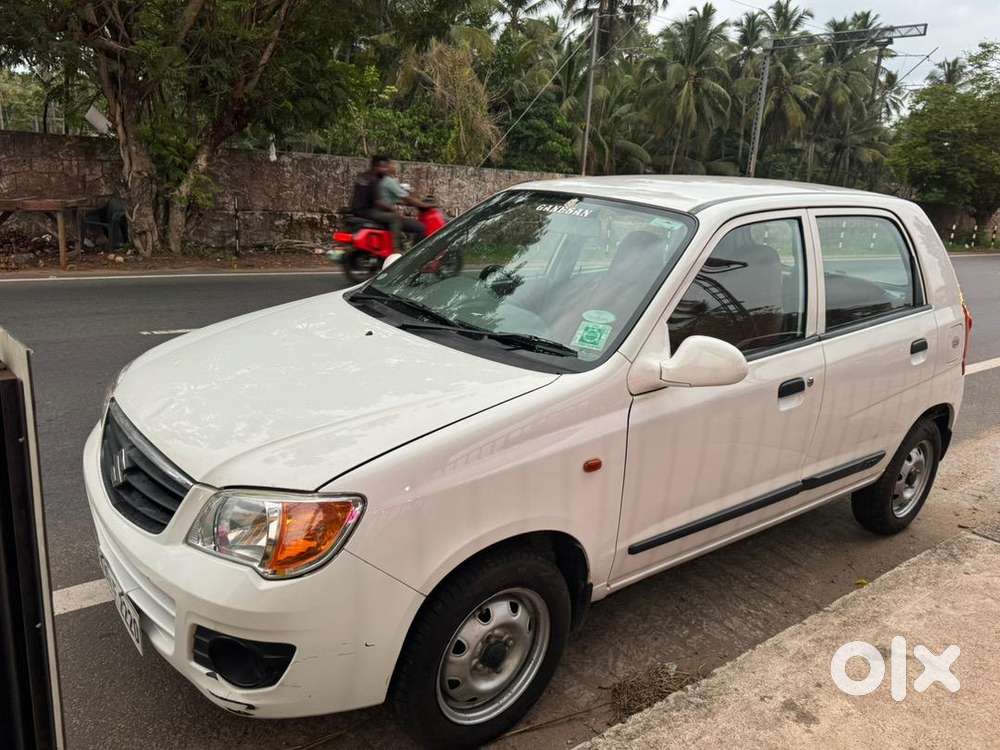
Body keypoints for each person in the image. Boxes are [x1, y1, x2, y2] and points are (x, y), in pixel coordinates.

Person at [351, 155, 428, 251]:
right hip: (367, 211)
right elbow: (378, 201)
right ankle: (395, 249)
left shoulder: (363, 176)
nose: (386, 169)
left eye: (387, 166)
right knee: (395, 218)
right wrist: (391, 208)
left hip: (358, 209)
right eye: (383, 167)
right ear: (376, 166)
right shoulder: (375, 179)